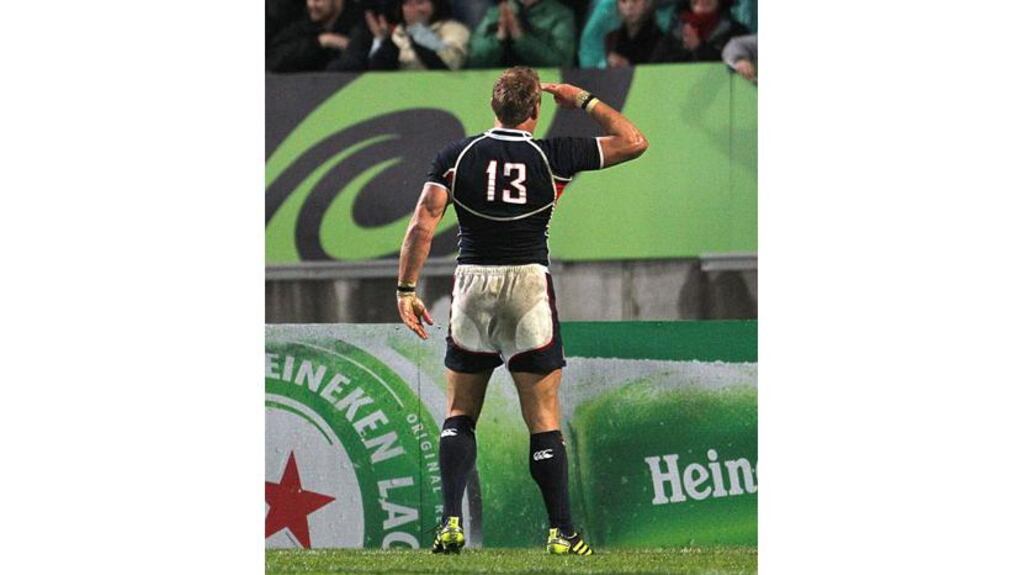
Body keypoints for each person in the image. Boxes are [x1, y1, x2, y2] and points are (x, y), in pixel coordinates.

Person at [395, 67, 648, 555]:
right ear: (536, 110)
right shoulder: (554, 154)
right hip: (528, 284)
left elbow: (422, 224)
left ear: (495, 108)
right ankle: (562, 532)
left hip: (471, 285)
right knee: (543, 417)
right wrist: (583, 100)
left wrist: (406, 289)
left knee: (459, 414)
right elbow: (634, 141)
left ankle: (450, 523)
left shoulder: (457, 155)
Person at [466, 0, 576, 69]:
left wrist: (521, 38)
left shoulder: (560, 15)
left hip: (541, 87)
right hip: (495, 87)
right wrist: (498, 38)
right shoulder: (496, 12)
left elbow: (563, 64)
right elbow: (472, 61)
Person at [366, 0, 471, 70]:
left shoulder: (454, 29)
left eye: (420, 2)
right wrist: (383, 40)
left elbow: (450, 64)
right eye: (407, 3)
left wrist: (417, 30)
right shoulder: (399, 32)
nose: (413, 9)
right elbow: (377, 71)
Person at [266, 0, 362, 72]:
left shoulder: (360, 25)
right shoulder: (302, 27)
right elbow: (274, 60)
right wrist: (319, 42)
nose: (311, 4)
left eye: (318, 0)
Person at [650, 0, 748, 64]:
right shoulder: (674, 33)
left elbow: (741, 69)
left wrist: (699, 48)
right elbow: (654, 70)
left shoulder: (737, 32)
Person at [605, 0, 664, 68]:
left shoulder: (662, 42)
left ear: (648, 3)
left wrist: (629, 68)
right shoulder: (611, 39)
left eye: (635, 1)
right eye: (623, 1)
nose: (629, 6)